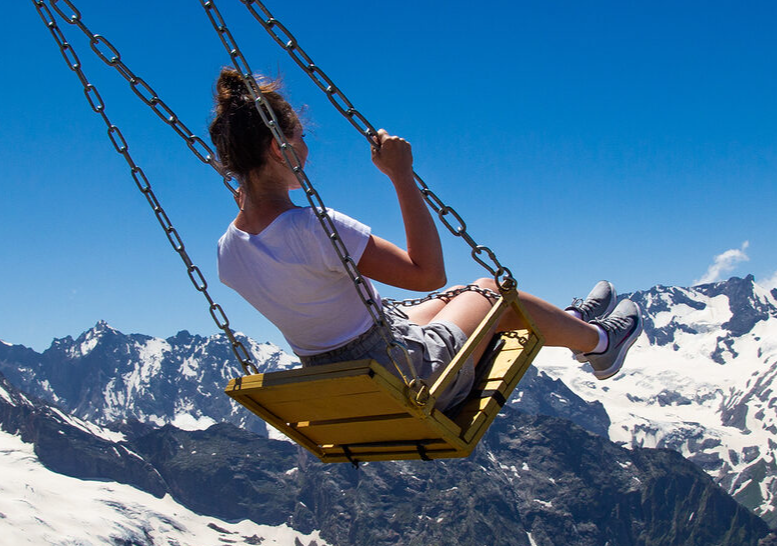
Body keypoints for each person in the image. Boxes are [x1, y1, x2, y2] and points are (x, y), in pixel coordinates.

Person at [210, 69, 641, 413]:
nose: (306, 146)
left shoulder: (227, 251)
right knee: (490, 290)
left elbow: (291, 272)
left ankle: (570, 323)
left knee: (459, 296)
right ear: (277, 147)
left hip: (346, 378)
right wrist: (401, 174)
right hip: (406, 374)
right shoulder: (311, 227)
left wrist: (251, 196)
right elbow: (425, 273)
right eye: (300, 136)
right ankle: (602, 344)